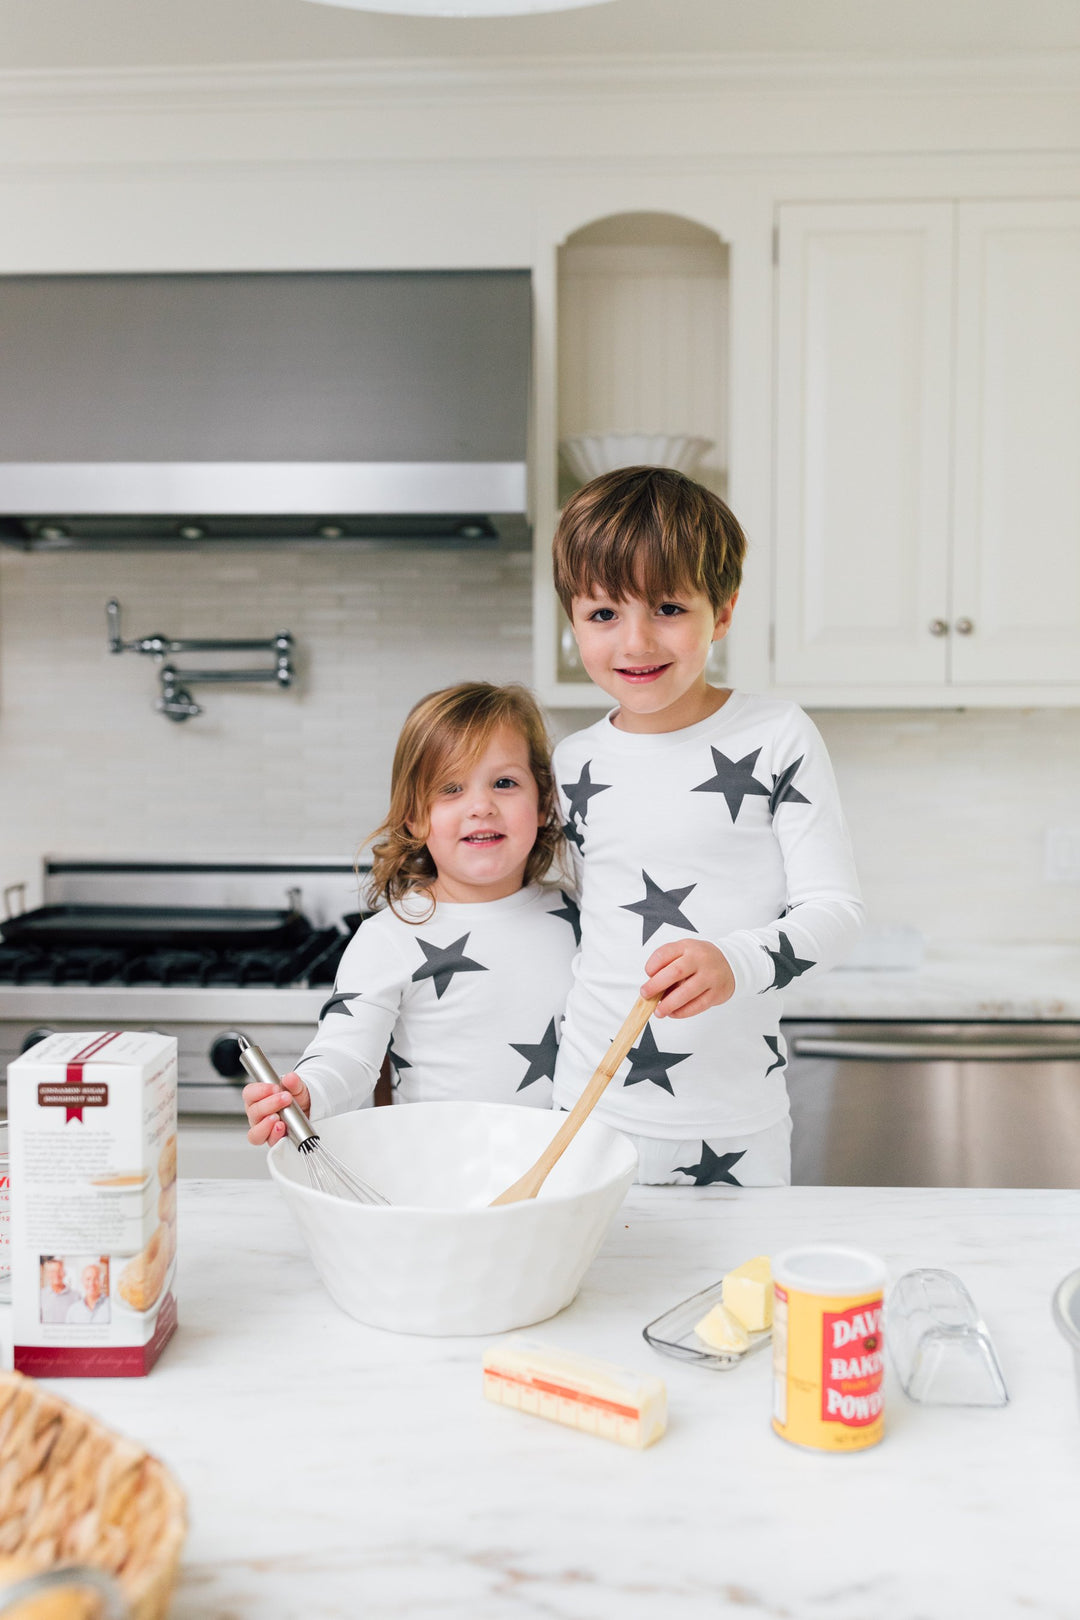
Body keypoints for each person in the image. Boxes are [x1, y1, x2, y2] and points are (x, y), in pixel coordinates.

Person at [550, 466, 864, 1187]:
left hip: (735, 1127)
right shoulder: (572, 763)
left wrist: (736, 961)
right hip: (586, 1117)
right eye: (603, 614)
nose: (634, 642)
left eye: (666, 607)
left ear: (721, 613)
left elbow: (836, 914)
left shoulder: (777, 735)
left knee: (741, 1301)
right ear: (573, 620)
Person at [243, 682, 578, 1144]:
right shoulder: (389, 938)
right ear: (414, 818)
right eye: (451, 788)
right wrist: (309, 1094)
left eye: (505, 783)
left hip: (562, 1179)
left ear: (542, 803)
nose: (481, 806)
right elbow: (347, 1055)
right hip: (437, 1180)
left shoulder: (580, 916)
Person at [65, 1259, 110, 1325]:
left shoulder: (110, 1305)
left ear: (101, 1282)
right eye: (88, 1279)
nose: (92, 1283)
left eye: (96, 1279)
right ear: (82, 1281)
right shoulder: (73, 1310)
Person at [39, 1256, 78, 1324]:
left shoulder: (76, 1296)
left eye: (59, 1270)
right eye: (52, 1271)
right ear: (48, 1274)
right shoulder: (41, 1295)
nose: (56, 1274)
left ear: (64, 1273)